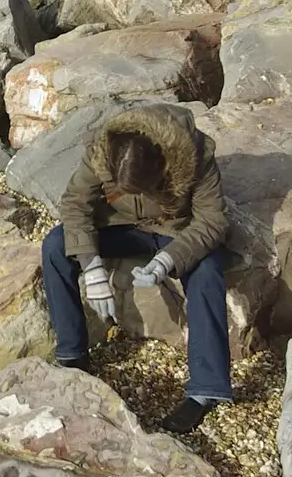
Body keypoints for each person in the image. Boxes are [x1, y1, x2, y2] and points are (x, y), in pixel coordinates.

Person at [41, 102, 232, 433]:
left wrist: (169, 259)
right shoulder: (104, 149)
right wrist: (92, 266)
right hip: (117, 228)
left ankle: (206, 390)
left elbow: (213, 221)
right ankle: (72, 355)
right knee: (56, 245)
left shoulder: (197, 154)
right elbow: (75, 203)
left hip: (174, 233)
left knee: (208, 270)